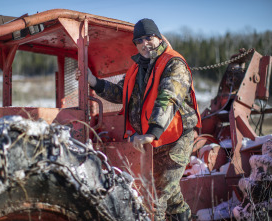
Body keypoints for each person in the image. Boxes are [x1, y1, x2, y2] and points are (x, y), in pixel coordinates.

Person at [76, 18, 201, 221]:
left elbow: (169, 97)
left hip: (176, 137)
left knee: (156, 194)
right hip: (154, 138)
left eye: (149, 38)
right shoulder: (137, 68)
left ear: (158, 38)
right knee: (170, 194)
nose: (144, 44)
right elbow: (121, 93)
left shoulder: (173, 63)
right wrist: (94, 82)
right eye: (139, 40)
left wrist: (153, 131)